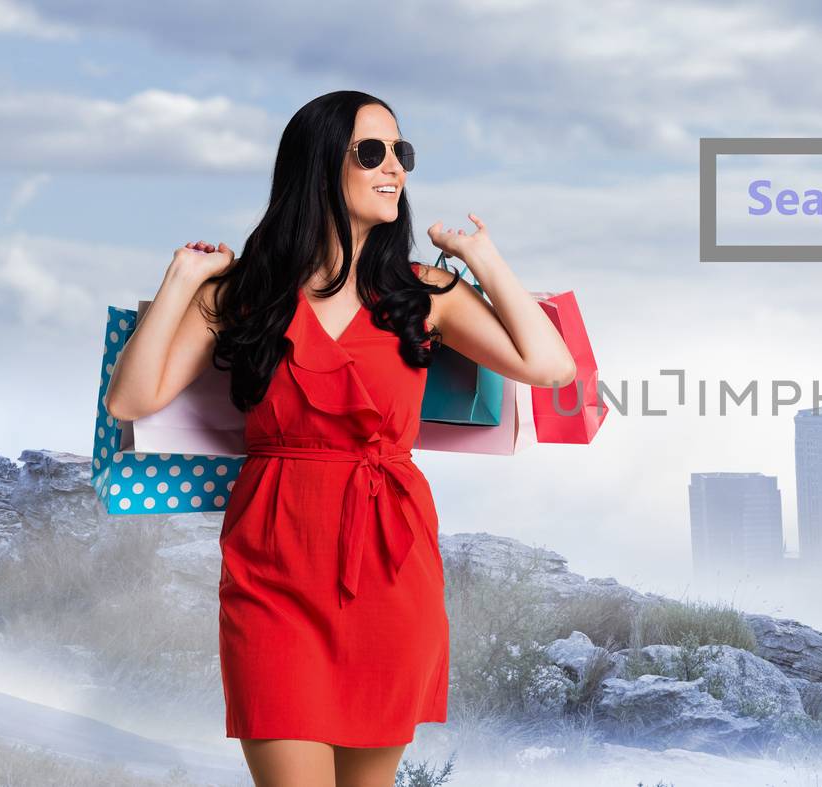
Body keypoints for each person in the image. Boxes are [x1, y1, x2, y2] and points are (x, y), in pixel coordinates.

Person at [102, 90, 576, 787]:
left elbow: (551, 366)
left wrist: (484, 257)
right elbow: (130, 397)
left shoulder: (425, 293)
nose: (395, 169)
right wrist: (181, 280)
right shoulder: (246, 291)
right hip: (273, 572)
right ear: (321, 163)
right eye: (373, 152)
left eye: (402, 153)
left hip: (389, 571)